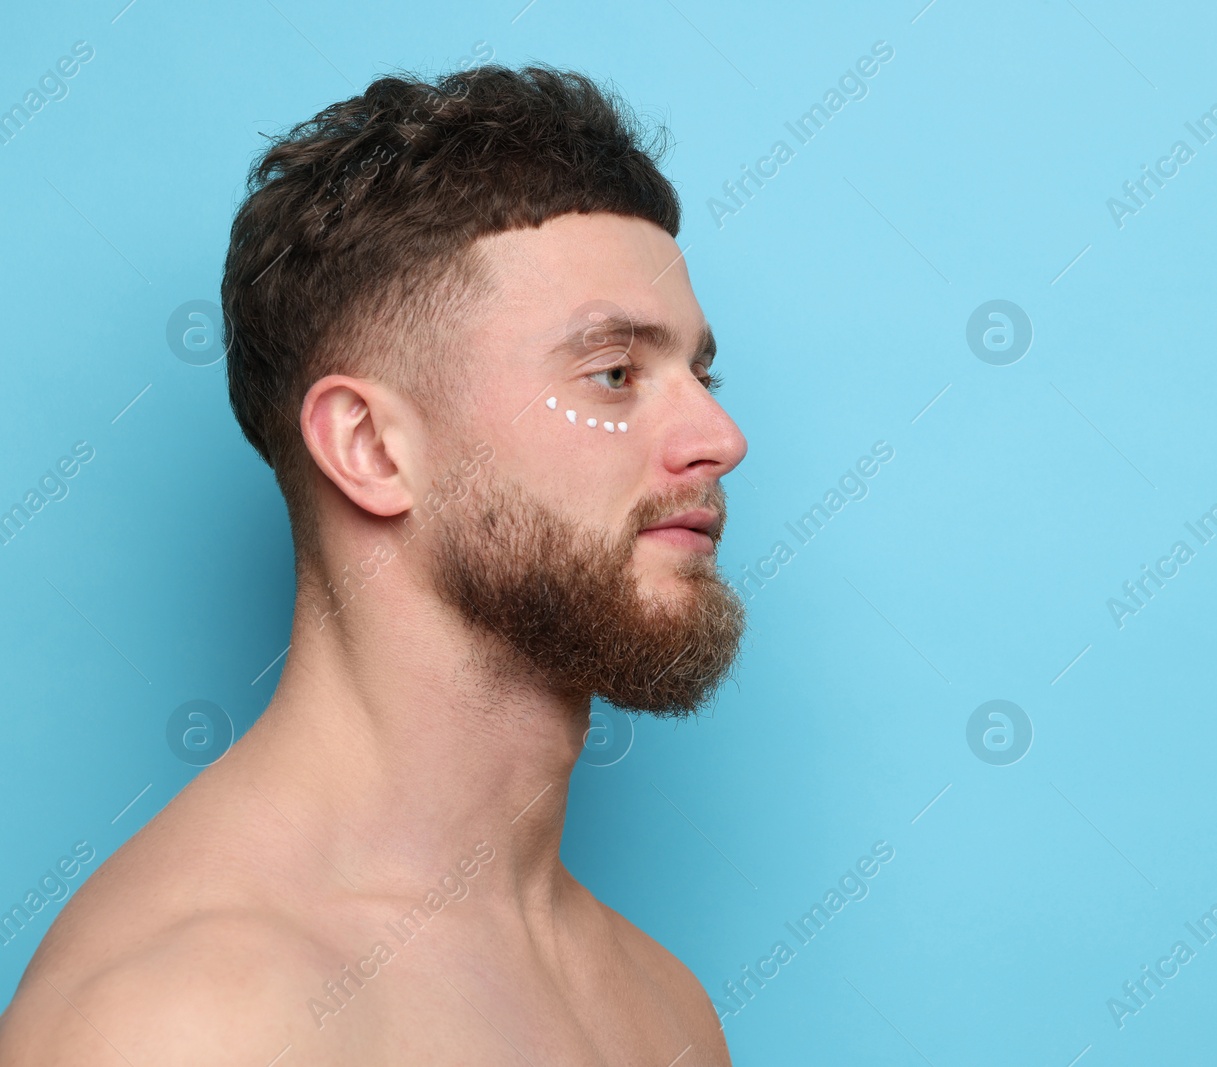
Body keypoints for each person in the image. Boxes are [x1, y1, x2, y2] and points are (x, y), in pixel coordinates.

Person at [0, 63, 747, 1065]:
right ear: (370, 447)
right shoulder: (186, 1020)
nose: (719, 435)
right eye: (613, 373)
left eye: (699, 372)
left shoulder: (659, 1003)